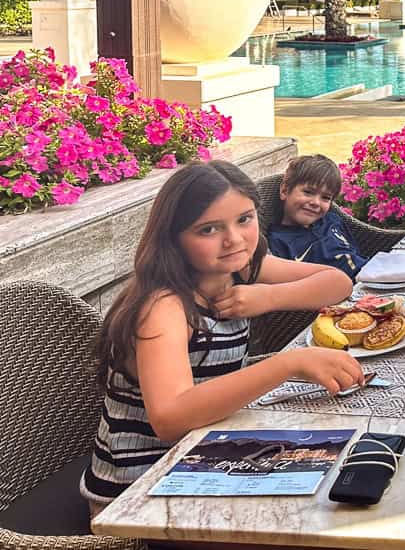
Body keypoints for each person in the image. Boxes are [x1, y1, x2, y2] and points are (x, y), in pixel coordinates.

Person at [81, 161, 364, 513]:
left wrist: (268, 297)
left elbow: (338, 283)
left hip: (205, 452)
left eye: (244, 219)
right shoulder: (164, 306)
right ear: (173, 238)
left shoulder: (242, 267)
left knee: (342, 474)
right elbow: (170, 419)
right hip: (139, 491)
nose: (233, 239)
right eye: (209, 229)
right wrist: (287, 364)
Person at [266, 155, 367, 280]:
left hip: (372, 278)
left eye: (325, 197)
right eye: (308, 192)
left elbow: (355, 253)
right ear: (285, 191)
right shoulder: (279, 241)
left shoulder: (332, 220)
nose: (316, 202)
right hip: (339, 294)